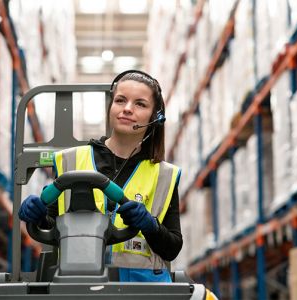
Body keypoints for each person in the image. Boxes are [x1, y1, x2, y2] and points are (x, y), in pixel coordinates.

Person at [18, 70, 182, 282]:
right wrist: (37, 215)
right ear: (111, 106)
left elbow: (172, 249)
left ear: (155, 117)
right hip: (80, 284)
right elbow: (52, 228)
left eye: (140, 104)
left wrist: (150, 225)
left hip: (144, 290)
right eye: (120, 100)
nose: (127, 109)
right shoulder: (70, 161)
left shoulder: (164, 175)